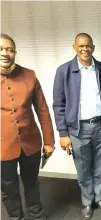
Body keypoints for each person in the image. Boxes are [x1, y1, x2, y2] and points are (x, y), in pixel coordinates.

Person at [53, 33, 101, 220]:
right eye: (80, 46)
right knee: (83, 169)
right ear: (74, 47)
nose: (85, 49)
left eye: (88, 46)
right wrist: (63, 133)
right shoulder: (63, 71)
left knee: (99, 166)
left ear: (93, 48)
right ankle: (87, 202)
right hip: (77, 130)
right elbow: (59, 105)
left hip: (100, 126)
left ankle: (100, 198)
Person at [1, 33, 55, 220]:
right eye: (0, 49)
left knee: (32, 184)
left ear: (15, 53)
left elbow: (43, 111)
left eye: (9, 49)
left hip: (31, 143)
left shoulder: (29, 75)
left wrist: (49, 141)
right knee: (9, 188)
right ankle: (16, 218)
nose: (5, 53)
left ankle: (36, 216)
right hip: (3, 146)